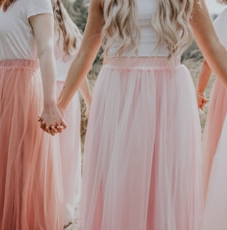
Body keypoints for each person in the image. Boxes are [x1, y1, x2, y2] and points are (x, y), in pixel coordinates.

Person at [40, 0, 227, 229]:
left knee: (163, 186)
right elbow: (84, 56)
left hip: (167, 96)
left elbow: (214, 47)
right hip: (119, 95)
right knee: (120, 183)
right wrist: (59, 106)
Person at [0, 0, 67, 229]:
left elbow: (47, 50)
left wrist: (50, 104)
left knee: (20, 170)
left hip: (22, 90)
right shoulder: (3, 5)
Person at [53, 1, 91, 227]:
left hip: (49, 93)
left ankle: (50, 204)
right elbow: (81, 70)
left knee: (49, 154)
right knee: (68, 153)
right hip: (71, 95)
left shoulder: (41, 27)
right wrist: (88, 98)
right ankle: (65, 208)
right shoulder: (72, 32)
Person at [196, 0, 227, 200]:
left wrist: (199, 90)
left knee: (219, 146)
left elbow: (208, 61)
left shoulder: (223, 18)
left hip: (223, 87)